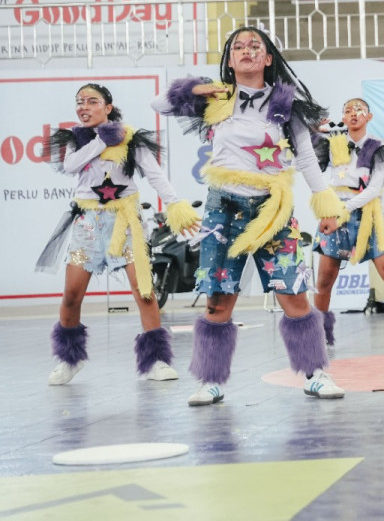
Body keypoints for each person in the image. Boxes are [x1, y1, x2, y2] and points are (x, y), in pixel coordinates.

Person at [152, 26, 349, 406]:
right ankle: (210, 380)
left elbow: (306, 157)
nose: (246, 51)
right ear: (229, 60)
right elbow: (158, 105)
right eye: (238, 47)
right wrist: (199, 88)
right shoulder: (216, 99)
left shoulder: (285, 103)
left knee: (294, 296)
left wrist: (326, 206)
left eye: (254, 46)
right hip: (223, 210)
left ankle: (315, 373)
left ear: (268, 57)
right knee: (217, 300)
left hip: (273, 211)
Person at [39, 83, 201, 386]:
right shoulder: (75, 139)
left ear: (108, 107)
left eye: (92, 101)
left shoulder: (131, 138)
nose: (84, 107)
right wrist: (101, 141)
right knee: (71, 295)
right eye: (80, 102)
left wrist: (176, 205)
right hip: (88, 224)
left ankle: (156, 360)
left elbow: (155, 175)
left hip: (125, 223)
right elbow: (71, 166)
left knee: (145, 291)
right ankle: (70, 358)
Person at [311, 99, 384, 349]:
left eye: (359, 110)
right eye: (348, 111)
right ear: (343, 117)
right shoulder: (331, 144)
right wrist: (313, 130)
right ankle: (319, 334)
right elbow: (305, 166)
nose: (353, 114)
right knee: (325, 278)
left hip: (368, 214)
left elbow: (373, 189)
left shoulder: (378, 148)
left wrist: (344, 210)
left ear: (368, 117)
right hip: (334, 214)